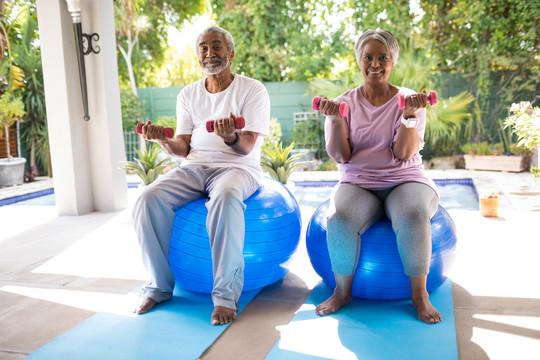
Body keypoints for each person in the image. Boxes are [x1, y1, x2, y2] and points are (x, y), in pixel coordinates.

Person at [132, 26, 270, 326]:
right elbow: (182, 147)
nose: (210, 53)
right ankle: (158, 286)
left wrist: (231, 136)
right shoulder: (188, 94)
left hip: (238, 168)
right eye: (204, 48)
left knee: (225, 197)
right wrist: (162, 140)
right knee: (147, 198)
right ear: (198, 56)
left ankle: (224, 297)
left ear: (230, 54)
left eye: (217, 46)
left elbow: (246, 147)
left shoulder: (252, 89)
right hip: (193, 167)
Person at [315, 29, 442, 324]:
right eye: (368, 57)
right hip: (358, 181)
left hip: (404, 178)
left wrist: (410, 116)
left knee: (412, 214)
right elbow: (340, 156)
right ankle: (342, 292)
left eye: (382, 58)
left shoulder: (411, 101)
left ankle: (419, 296)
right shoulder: (343, 103)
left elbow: (403, 154)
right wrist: (335, 120)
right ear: (359, 61)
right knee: (340, 219)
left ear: (392, 61)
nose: (375, 64)